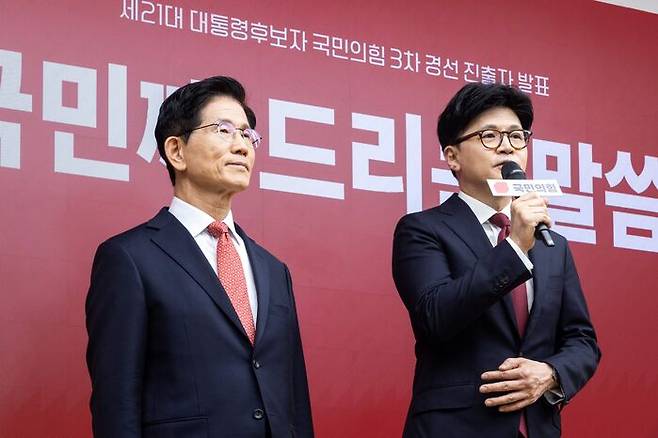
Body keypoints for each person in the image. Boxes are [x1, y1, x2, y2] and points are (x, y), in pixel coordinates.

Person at [85, 76, 313, 438]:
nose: (242, 146)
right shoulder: (130, 259)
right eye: (224, 130)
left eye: (247, 134)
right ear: (176, 151)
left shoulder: (273, 270)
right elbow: (116, 403)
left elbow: (295, 399)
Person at [392, 83, 600, 438]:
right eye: (489, 136)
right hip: (454, 428)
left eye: (517, 136)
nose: (507, 146)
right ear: (452, 157)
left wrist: (550, 373)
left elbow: (581, 339)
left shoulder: (553, 245)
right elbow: (435, 317)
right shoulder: (422, 229)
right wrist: (515, 246)